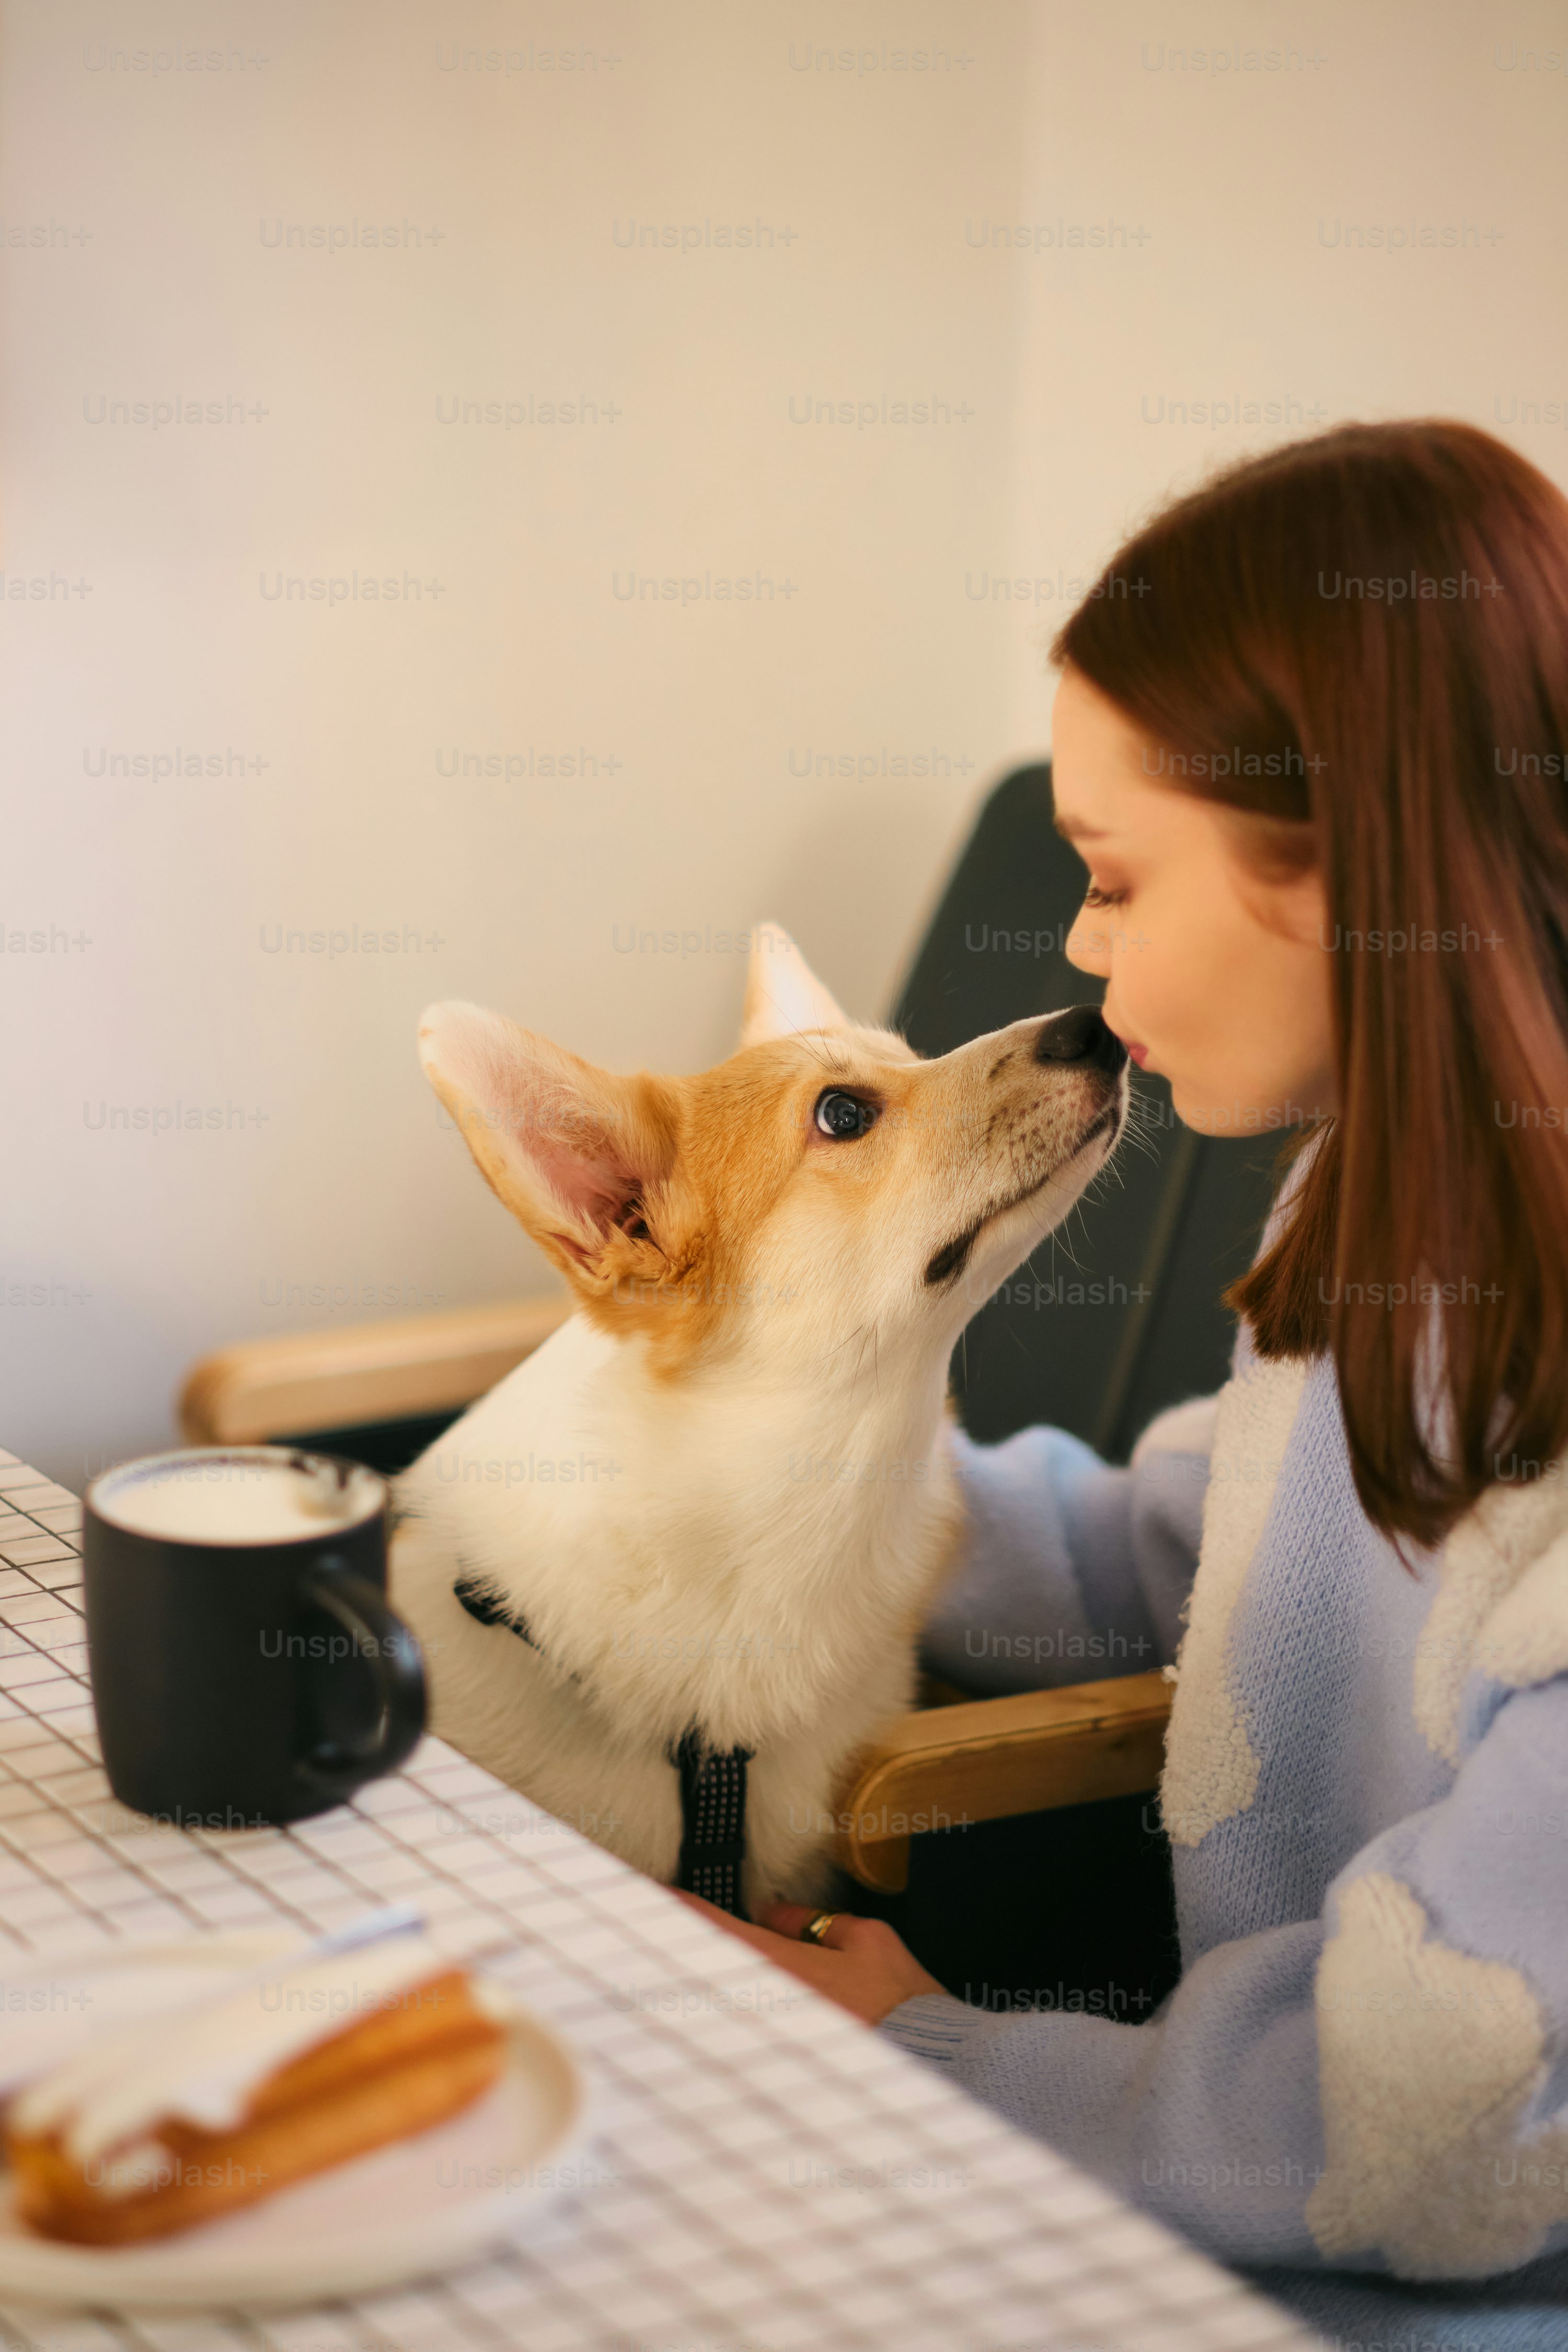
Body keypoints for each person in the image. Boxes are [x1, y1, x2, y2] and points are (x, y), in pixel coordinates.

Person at [684, 421, 1568, 2346]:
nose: (1081, 947)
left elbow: (1448, 2098)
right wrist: (791, 1458)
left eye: (1113, 876)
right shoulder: (1388, 1225)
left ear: (1345, 863)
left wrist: (936, 2060)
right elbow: (1192, 1551)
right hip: (1214, 2170)